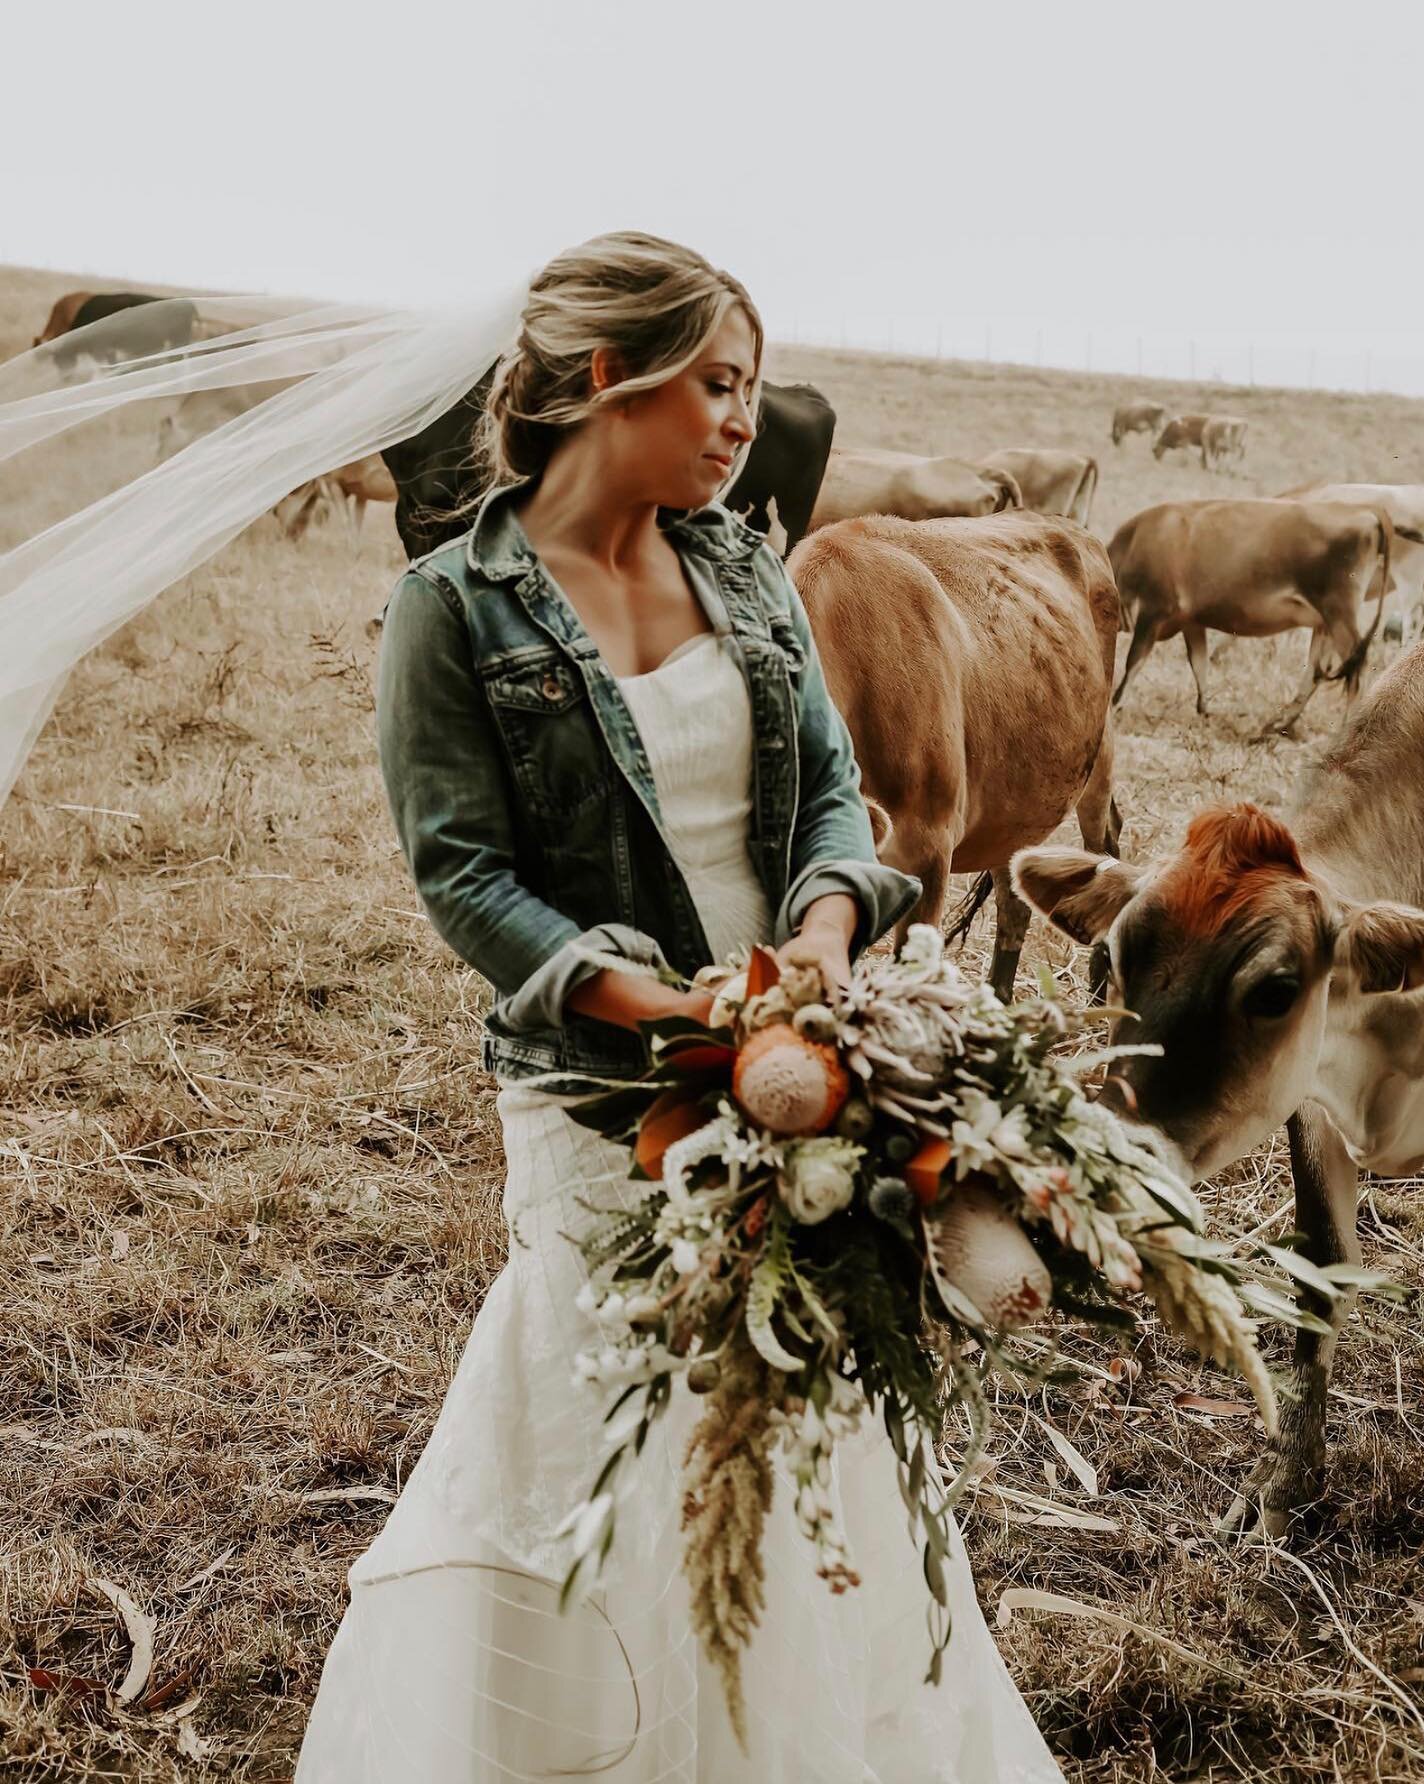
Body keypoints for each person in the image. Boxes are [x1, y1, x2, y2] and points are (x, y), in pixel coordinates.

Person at [294, 231, 1061, 1783]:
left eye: (748, 389)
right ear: (602, 377)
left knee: (810, 1399)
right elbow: (465, 875)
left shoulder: (742, 569)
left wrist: (827, 949)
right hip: (602, 1098)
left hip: (800, 1069)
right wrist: (663, 1016)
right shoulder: (455, 608)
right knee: (604, 1411)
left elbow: (833, 795)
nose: (738, 421)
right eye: (717, 384)